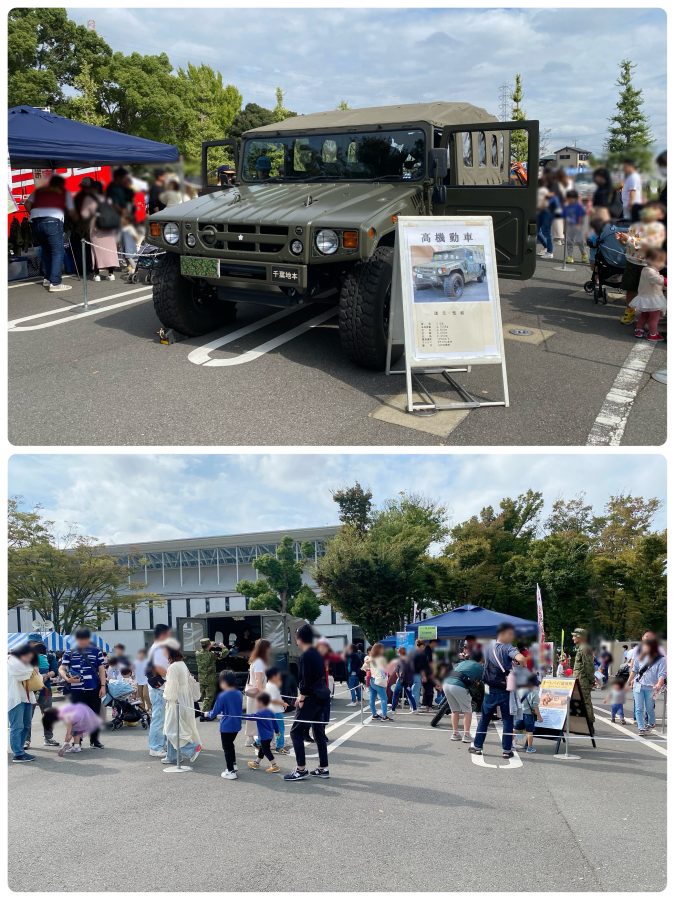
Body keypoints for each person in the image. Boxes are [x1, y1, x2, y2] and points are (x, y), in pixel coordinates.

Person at [469, 623, 529, 759]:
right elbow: (520, 658)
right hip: (505, 689)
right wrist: (522, 662)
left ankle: (478, 747)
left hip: (489, 688)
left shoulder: (488, 647)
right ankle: (506, 751)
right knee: (507, 720)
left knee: (484, 718)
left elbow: (485, 662)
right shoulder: (508, 647)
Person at [284, 624, 331, 782]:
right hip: (322, 696)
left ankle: (301, 769)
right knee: (318, 732)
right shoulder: (317, 653)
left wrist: (301, 697)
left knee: (295, 732)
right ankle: (323, 768)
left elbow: (306, 680)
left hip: (311, 697)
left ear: (299, 638)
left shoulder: (305, 655)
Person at [618, 202, 666, 324]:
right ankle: (630, 311)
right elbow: (629, 242)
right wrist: (622, 240)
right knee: (631, 289)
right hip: (632, 261)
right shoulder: (635, 226)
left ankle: (649, 315)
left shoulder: (658, 229)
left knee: (649, 291)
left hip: (648, 265)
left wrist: (628, 239)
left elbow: (647, 244)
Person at [25, 174, 75, 292]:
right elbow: (71, 210)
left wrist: (34, 214)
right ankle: (55, 283)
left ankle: (47, 278)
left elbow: (27, 204)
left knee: (46, 250)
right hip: (53, 221)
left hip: (36, 222)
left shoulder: (39, 190)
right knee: (58, 251)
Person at [58, 628, 106, 749]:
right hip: (76, 689)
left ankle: (94, 740)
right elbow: (62, 668)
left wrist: (103, 686)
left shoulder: (96, 651)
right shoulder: (69, 652)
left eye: (85, 639)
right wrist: (66, 678)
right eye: (80, 639)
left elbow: (101, 669)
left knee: (95, 715)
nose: (82, 642)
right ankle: (77, 742)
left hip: (93, 688)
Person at [162, 641, 202, 764]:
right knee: (177, 727)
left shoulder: (173, 667)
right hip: (184, 698)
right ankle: (172, 756)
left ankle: (191, 748)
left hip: (176, 699)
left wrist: (167, 697)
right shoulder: (182, 664)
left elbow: (172, 686)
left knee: (171, 729)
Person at [203, 670, 244, 780]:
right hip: (236, 725)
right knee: (230, 745)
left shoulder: (222, 696)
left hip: (226, 727)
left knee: (227, 748)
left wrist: (207, 714)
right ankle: (233, 764)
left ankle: (230, 771)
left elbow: (214, 713)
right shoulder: (239, 693)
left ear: (224, 682)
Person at [78, 180, 119, 281]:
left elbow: (84, 214)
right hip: (109, 228)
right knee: (110, 251)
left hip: (96, 228)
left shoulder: (89, 198)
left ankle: (96, 275)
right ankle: (111, 274)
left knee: (96, 251)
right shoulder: (107, 198)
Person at [625, 638, 666, 735]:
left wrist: (659, 684)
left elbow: (662, 674)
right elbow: (634, 670)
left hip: (651, 688)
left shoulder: (661, 659)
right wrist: (628, 681)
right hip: (638, 685)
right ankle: (641, 728)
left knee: (649, 708)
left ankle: (651, 723)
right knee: (639, 708)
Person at [443, 648, 484, 742]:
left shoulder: (462, 663)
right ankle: (466, 735)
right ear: (481, 659)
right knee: (467, 711)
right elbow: (485, 679)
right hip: (459, 686)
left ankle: (455, 733)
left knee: (454, 711)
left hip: (447, 683)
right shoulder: (479, 666)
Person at [26, 637, 60, 748]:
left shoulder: (50, 656)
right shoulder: (25, 656)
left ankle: (48, 738)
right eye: (31, 643)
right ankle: (26, 740)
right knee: (27, 716)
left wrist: (46, 675)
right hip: (29, 690)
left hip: (46, 689)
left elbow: (55, 671)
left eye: (35, 643)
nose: (33, 645)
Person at [8, 645, 39, 763]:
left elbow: (35, 675)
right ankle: (18, 753)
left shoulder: (25, 663)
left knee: (26, 725)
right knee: (17, 726)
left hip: (26, 698)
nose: (29, 658)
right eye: (28, 656)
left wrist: (32, 668)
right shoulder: (11, 660)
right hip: (15, 699)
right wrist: (32, 669)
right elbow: (21, 674)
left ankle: (20, 750)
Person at [630, 247, 667, 342]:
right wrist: (666, 281)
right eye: (661, 262)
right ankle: (653, 334)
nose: (663, 264)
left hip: (646, 299)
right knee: (654, 318)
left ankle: (639, 330)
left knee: (644, 316)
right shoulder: (650, 272)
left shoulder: (646, 270)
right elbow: (657, 280)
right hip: (652, 300)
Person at [146, 623, 172, 757]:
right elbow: (158, 667)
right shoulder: (158, 648)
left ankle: (160, 744)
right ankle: (155, 747)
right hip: (159, 688)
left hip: (159, 687)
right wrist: (171, 675)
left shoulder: (156, 647)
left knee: (162, 718)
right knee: (159, 718)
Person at [244, 692, 281, 773]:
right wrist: (277, 731)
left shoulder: (260, 713)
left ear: (261, 702)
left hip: (264, 736)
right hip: (269, 735)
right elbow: (275, 723)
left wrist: (240, 716)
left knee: (266, 750)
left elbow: (251, 717)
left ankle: (274, 765)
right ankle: (256, 763)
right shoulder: (270, 711)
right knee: (262, 749)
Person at [244, 639, 271, 747]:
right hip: (258, 694)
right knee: (261, 718)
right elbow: (259, 681)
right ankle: (258, 740)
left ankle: (250, 739)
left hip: (254, 694)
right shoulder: (260, 662)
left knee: (253, 716)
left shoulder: (256, 661)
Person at [571, 628, 595, 723]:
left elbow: (588, 665)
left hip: (583, 681)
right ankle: (583, 724)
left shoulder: (584, 648)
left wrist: (591, 680)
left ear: (580, 637)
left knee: (585, 702)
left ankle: (589, 724)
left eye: (574, 636)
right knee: (580, 702)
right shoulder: (582, 647)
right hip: (580, 680)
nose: (573, 638)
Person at [514, 674, 543, 753]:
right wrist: (539, 717)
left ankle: (511, 745)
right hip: (529, 715)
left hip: (519, 713)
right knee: (529, 731)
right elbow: (535, 707)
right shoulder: (534, 694)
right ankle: (529, 748)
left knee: (515, 729)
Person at [265, 666, 289, 753]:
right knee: (280, 729)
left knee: (269, 729)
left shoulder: (268, 685)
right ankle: (280, 747)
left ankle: (259, 742)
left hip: (270, 710)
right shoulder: (273, 686)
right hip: (276, 711)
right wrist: (283, 703)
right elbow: (274, 699)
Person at [364, 642, 390, 721]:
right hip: (379, 680)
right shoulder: (381, 658)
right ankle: (384, 716)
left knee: (372, 698)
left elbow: (364, 667)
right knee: (384, 699)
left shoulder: (370, 658)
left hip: (372, 680)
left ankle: (374, 714)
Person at [390, 646, 417, 715]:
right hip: (408, 680)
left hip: (402, 680)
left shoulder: (400, 660)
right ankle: (415, 709)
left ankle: (393, 709)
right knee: (409, 695)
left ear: (399, 652)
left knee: (396, 694)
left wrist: (399, 677)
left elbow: (397, 671)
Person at [196, 638, 218, 719]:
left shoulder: (197, 653)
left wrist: (209, 645)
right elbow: (224, 654)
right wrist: (223, 647)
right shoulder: (211, 655)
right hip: (210, 679)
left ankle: (207, 712)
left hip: (202, 678)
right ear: (209, 645)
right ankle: (203, 714)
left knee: (204, 697)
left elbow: (202, 650)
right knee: (209, 697)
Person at [563, 190, 588, 263]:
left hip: (578, 227)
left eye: (572, 198)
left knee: (580, 241)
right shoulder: (566, 207)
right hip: (569, 227)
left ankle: (584, 254)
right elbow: (564, 219)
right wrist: (564, 229)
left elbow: (583, 217)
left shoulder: (579, 207)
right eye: (568, 198)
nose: (570, 200)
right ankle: (570, 256)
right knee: (569, 241)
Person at [133, 648, 151, 713]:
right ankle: (143, 710)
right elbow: (133, 672)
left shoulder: (147, 661)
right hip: (138, 681)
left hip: (146, 680)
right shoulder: (135, 662)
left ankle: (150, 707)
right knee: (140, 696)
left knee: (145, 695)